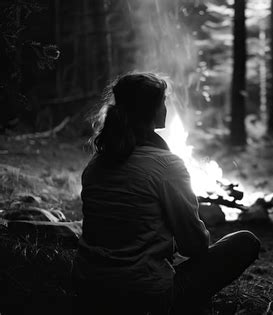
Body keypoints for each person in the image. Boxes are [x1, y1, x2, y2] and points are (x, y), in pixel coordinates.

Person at [72, 72, 260, 314]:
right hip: (142, 297)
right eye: (163, 102)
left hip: (88, 289)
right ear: (153, 110)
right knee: (245, 242)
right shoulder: (167, 165)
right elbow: (194, 246)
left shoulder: (96, 164)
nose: (166, 108)